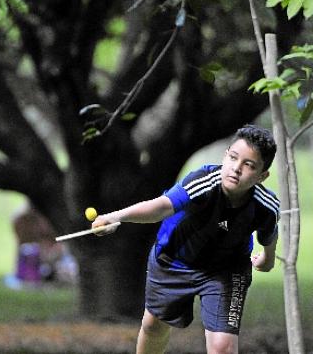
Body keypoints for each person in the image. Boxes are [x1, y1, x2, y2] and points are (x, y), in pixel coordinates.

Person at [92, 124, 279, 354]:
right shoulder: (203, 182)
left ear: (262, 176)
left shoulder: (265, 206)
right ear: (225, 155)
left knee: (223, 347)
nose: (236, 168)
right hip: (174, 260)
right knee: (154, 327)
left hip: (226, 270)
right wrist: (116, 217)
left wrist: (267, 260)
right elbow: (161, 207)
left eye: (248, 165)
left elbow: (269, 234)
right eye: (233, 158)